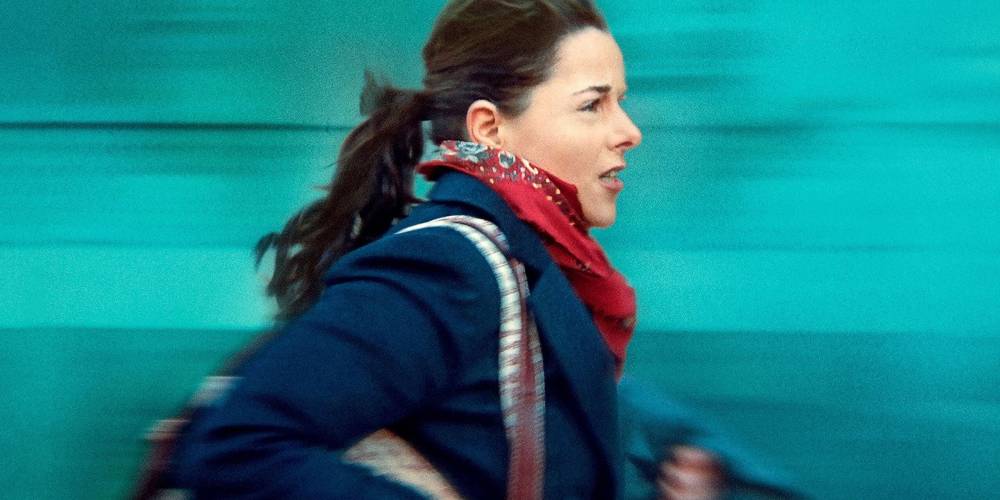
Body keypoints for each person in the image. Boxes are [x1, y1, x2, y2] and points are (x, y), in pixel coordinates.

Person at [171, 1, 730, 498]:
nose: (630, 131)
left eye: (621, 102)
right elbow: (237, 446)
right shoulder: (452, 267)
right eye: (593, 105)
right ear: (489, 128)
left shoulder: (534, 268)